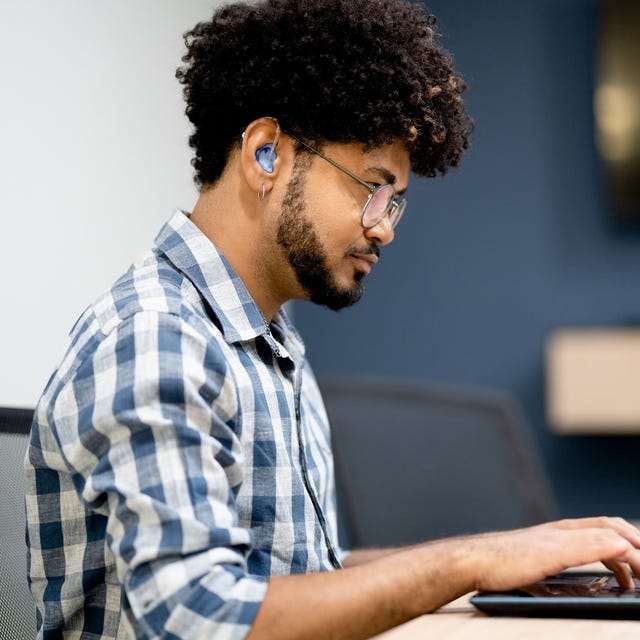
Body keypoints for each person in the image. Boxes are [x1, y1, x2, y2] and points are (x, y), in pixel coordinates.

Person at [25, 0, 640, 638]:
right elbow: (202, 618)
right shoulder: (156, 337)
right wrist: (468, 560)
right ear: (266, 155)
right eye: (373, 187)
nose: (383, 227)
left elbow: (297, 575)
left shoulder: (266, 341)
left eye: (394, 203)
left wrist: (499, 560)